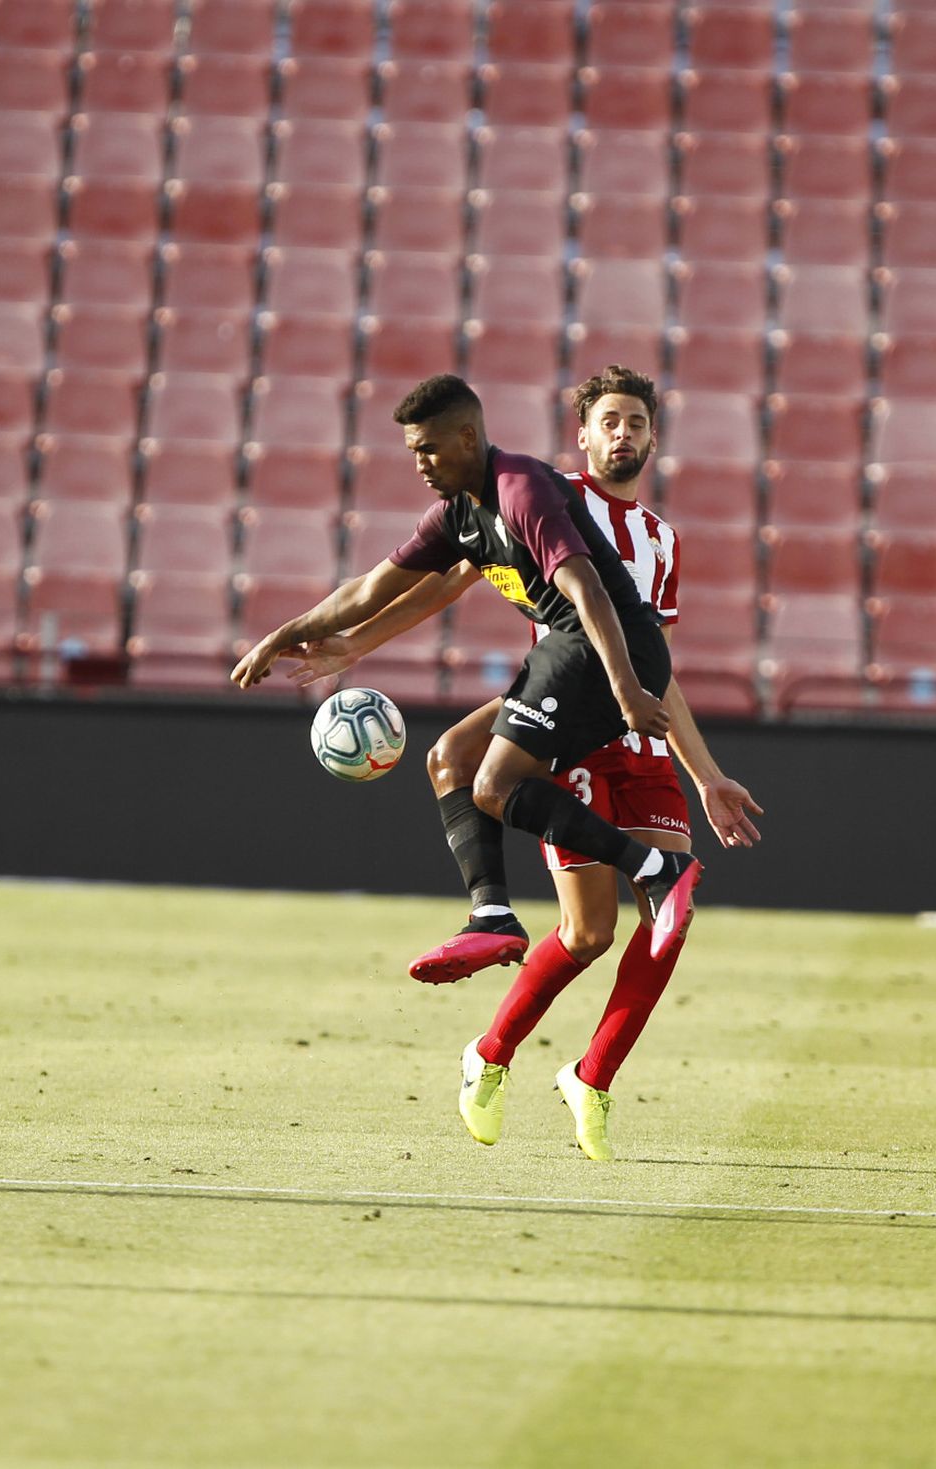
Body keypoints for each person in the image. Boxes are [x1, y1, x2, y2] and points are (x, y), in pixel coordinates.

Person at [252, 367, 762, 1161]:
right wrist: (355, 641)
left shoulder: (661, 540)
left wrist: (703, 771)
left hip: (630, 719)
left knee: (671, 918)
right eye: (609, 421)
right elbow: (446, 577)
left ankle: (591, 1076)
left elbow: (656, 663)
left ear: (654, 436)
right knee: (587, 929)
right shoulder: (544, 494)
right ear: (584, 436)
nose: (624, 433)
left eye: (637, 421)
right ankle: (490, 1045)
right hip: (564, 725)